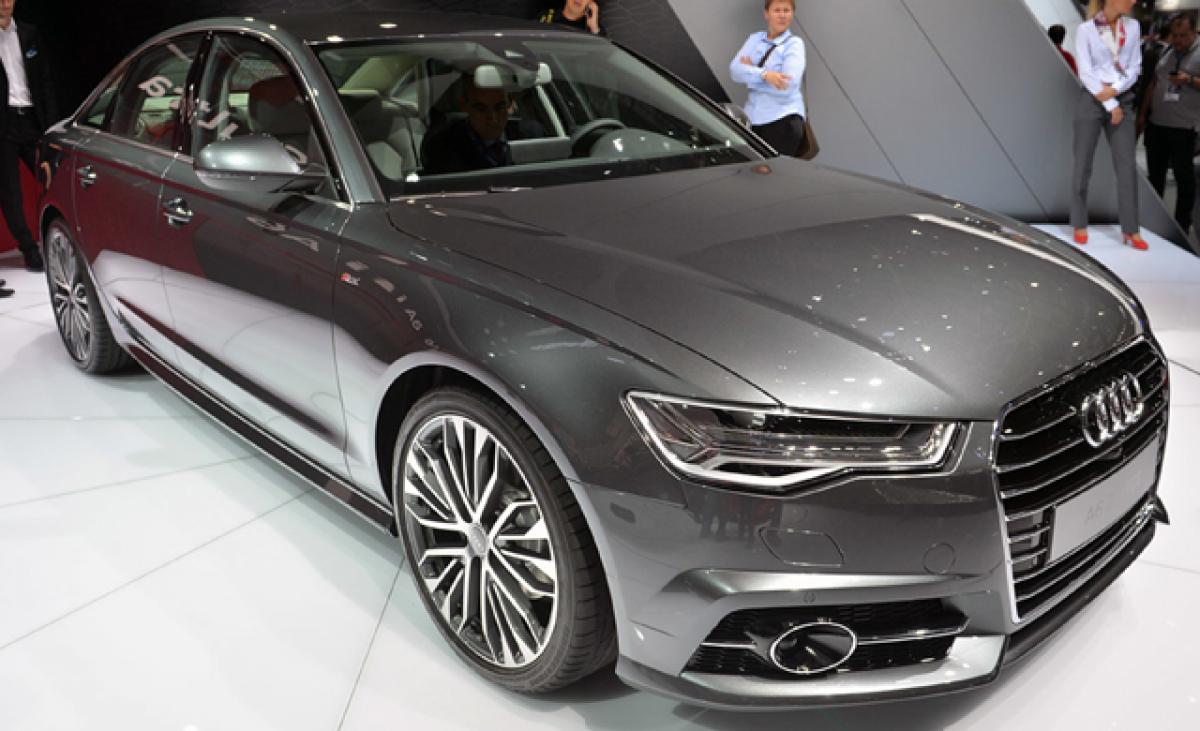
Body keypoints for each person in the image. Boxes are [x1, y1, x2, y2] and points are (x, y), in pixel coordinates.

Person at [1072, 0, 1147, 249]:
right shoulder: (1086, 30)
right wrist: (1110, 104)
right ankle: (1079, 223)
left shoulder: (1133, 27)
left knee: (1127, 167)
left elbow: (1135, 66)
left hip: (1121, 97)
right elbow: (1085, 71)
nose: (1133, 1)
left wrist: (1115, 91)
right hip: (1093, 99)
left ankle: (1131, 229)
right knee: (1083, 163)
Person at [0, 0, 53, 272]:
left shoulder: (29, 33)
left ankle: (62, 237)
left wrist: (50, 122)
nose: (5, 3)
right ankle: (29, 249)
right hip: (4, 124)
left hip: (32, 118)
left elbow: (44, 79)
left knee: (52, 180)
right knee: (11, 193)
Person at [1139, 13, 1200, 235]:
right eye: (1175, 35)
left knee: (1184, 178)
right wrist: (1142, 115)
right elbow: (1154, 83)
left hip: (1184, 128)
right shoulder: (1167, 52)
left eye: (1183, 35)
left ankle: (1181, 226)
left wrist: (1190, 80)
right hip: (1157, 125)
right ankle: (1154, 222)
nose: (1178, 40)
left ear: (1194, 33)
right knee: (1155, 177)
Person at [729, 0, 807, 157]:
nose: (782, 15)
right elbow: (735, 71)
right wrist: (766, 75)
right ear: (767, 14)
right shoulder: (755, 39)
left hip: (782, 121)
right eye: (777, 10)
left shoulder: (794, 44)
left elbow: (787, 85)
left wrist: (750, 72)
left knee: (772, 171)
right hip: (752, 120)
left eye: (786, 11)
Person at [421, 77, 514, 176]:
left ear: (510, 104)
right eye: (481, 109)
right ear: (464, 106)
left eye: (500, 107)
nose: (492, 118)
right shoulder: (443, 149)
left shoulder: (516, 134)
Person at [538, 1, 605, 36]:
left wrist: (594, 28)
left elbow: (603, 53)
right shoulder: (545, 16)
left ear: (591, 3)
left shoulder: (592, 29)